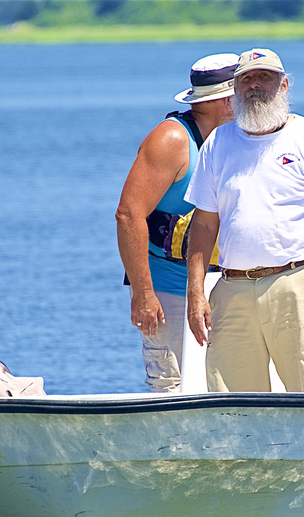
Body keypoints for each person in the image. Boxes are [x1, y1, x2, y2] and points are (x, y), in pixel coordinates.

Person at [184, 48, 304, 393]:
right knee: (233, 405)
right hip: (232, 288)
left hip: (297, 284)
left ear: (284, 85)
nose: (255, 86)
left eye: (265, 77)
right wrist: (195, 292)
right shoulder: (218, 142)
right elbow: (203, 225)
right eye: (246, 79)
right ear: (234, 90)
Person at [116, 53, 238, 392]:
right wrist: (143, 294)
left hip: (226, 287)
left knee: (228, 385)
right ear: (227, 100)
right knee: (173, 386)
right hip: (168, 290)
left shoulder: (237, 139)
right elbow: (128, 214)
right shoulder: (172, 139)